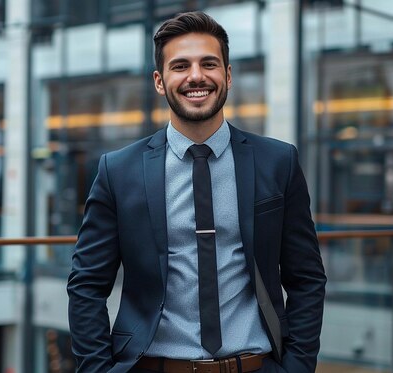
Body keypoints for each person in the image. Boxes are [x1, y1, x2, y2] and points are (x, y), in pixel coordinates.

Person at [67, 11, 326, 373]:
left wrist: (297, 367)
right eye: (180, 66)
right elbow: (87, 285)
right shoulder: (118, 171)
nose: (196, 76)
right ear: (159, 81)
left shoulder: (278, 161)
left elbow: (306, 277)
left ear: (228, 75)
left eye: (209, 63)